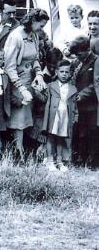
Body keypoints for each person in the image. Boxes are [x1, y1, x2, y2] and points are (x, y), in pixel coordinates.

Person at [4, 8, 49, 158]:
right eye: (41, 25)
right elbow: (9, 67)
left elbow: (35, 58)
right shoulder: (15, 36)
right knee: (18, 120)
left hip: (31, 80)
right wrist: (21, 89)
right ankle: (17, 152)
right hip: (17, 82)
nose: (41, 29)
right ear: (32, 21)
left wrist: (39, 74)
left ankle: (27, 150)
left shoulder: (34, 35)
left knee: (29, 117)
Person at [68, 35, 99, 167]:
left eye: (79, 54)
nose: (77, 56)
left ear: (87, 50)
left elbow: (96, 84)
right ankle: (80, 159)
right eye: (75, 54)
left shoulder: (96, 61)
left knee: (93, 133)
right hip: (78, 106)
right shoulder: (75, 62)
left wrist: (82, 94)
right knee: (80, 133)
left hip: (91, 105)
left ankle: (93, 162)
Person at [42, 59, 77, 172]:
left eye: (67, 72)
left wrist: (75, 117)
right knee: (51, 137)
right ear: (56, 72)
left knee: (61, 138)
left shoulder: (73, 88)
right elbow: (45, 101)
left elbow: (75, 106)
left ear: (70, 73)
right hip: (53, 116)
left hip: (65, 116)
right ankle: (50, 161)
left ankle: (60, 161)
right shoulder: (51, 86)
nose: (64, 74)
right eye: (61, 71)